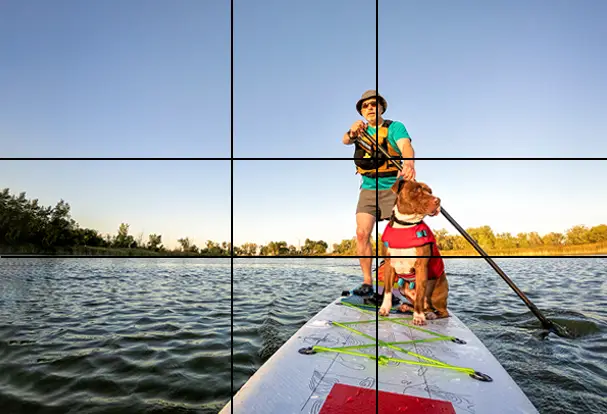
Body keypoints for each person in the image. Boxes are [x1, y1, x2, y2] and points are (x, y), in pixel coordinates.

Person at [342, 90, 416, 296]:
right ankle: (367, 282)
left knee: (400, 237)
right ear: (361, 112)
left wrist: (409, 163)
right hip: (368, 188)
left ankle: (406, 280)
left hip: (393, 187)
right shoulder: (359, 130)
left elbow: (406, 146)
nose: (370, 108)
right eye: (365, 106)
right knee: (361, 233)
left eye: (374, 104)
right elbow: (345, 141)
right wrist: (351, 131)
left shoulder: (394, 127)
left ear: (382, 107)